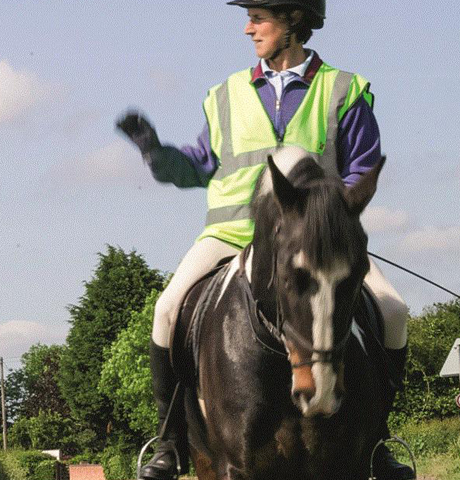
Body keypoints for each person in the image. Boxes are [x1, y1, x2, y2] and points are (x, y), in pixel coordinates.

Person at [116, 1, 414, 478]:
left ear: (294, 19)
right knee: (167, 310)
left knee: (394, 311)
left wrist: (326, 212)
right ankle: (169, 443)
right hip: (232, 234)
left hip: (315, 242)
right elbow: (199, 164)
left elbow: (361, 167)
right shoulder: (227, 93)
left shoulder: (342, 89)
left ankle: (378, 441)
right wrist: (158, 156)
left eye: (259, 18)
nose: (248, 28)